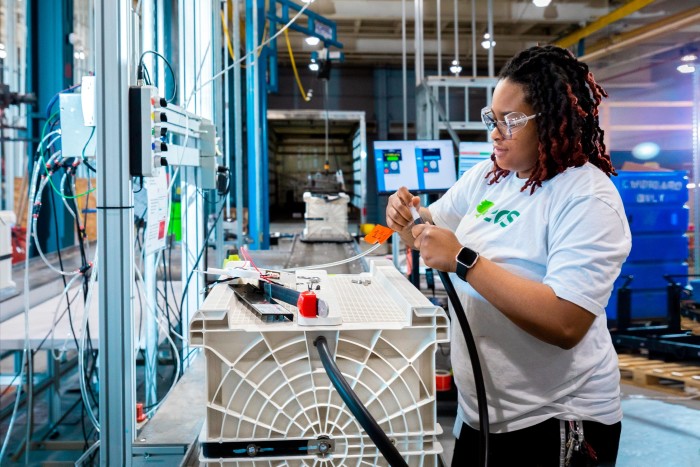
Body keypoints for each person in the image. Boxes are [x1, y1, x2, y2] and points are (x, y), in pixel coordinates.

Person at [386, 45, 630, 466]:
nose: (495, 133)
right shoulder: (490, 177)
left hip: (556, 420)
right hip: (482, 415)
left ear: (553, 121)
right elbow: (429, 230)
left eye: (511, 121)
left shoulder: (586, 197)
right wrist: (406, 216)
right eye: (492, 119)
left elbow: (565, 321)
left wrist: (465, 260)